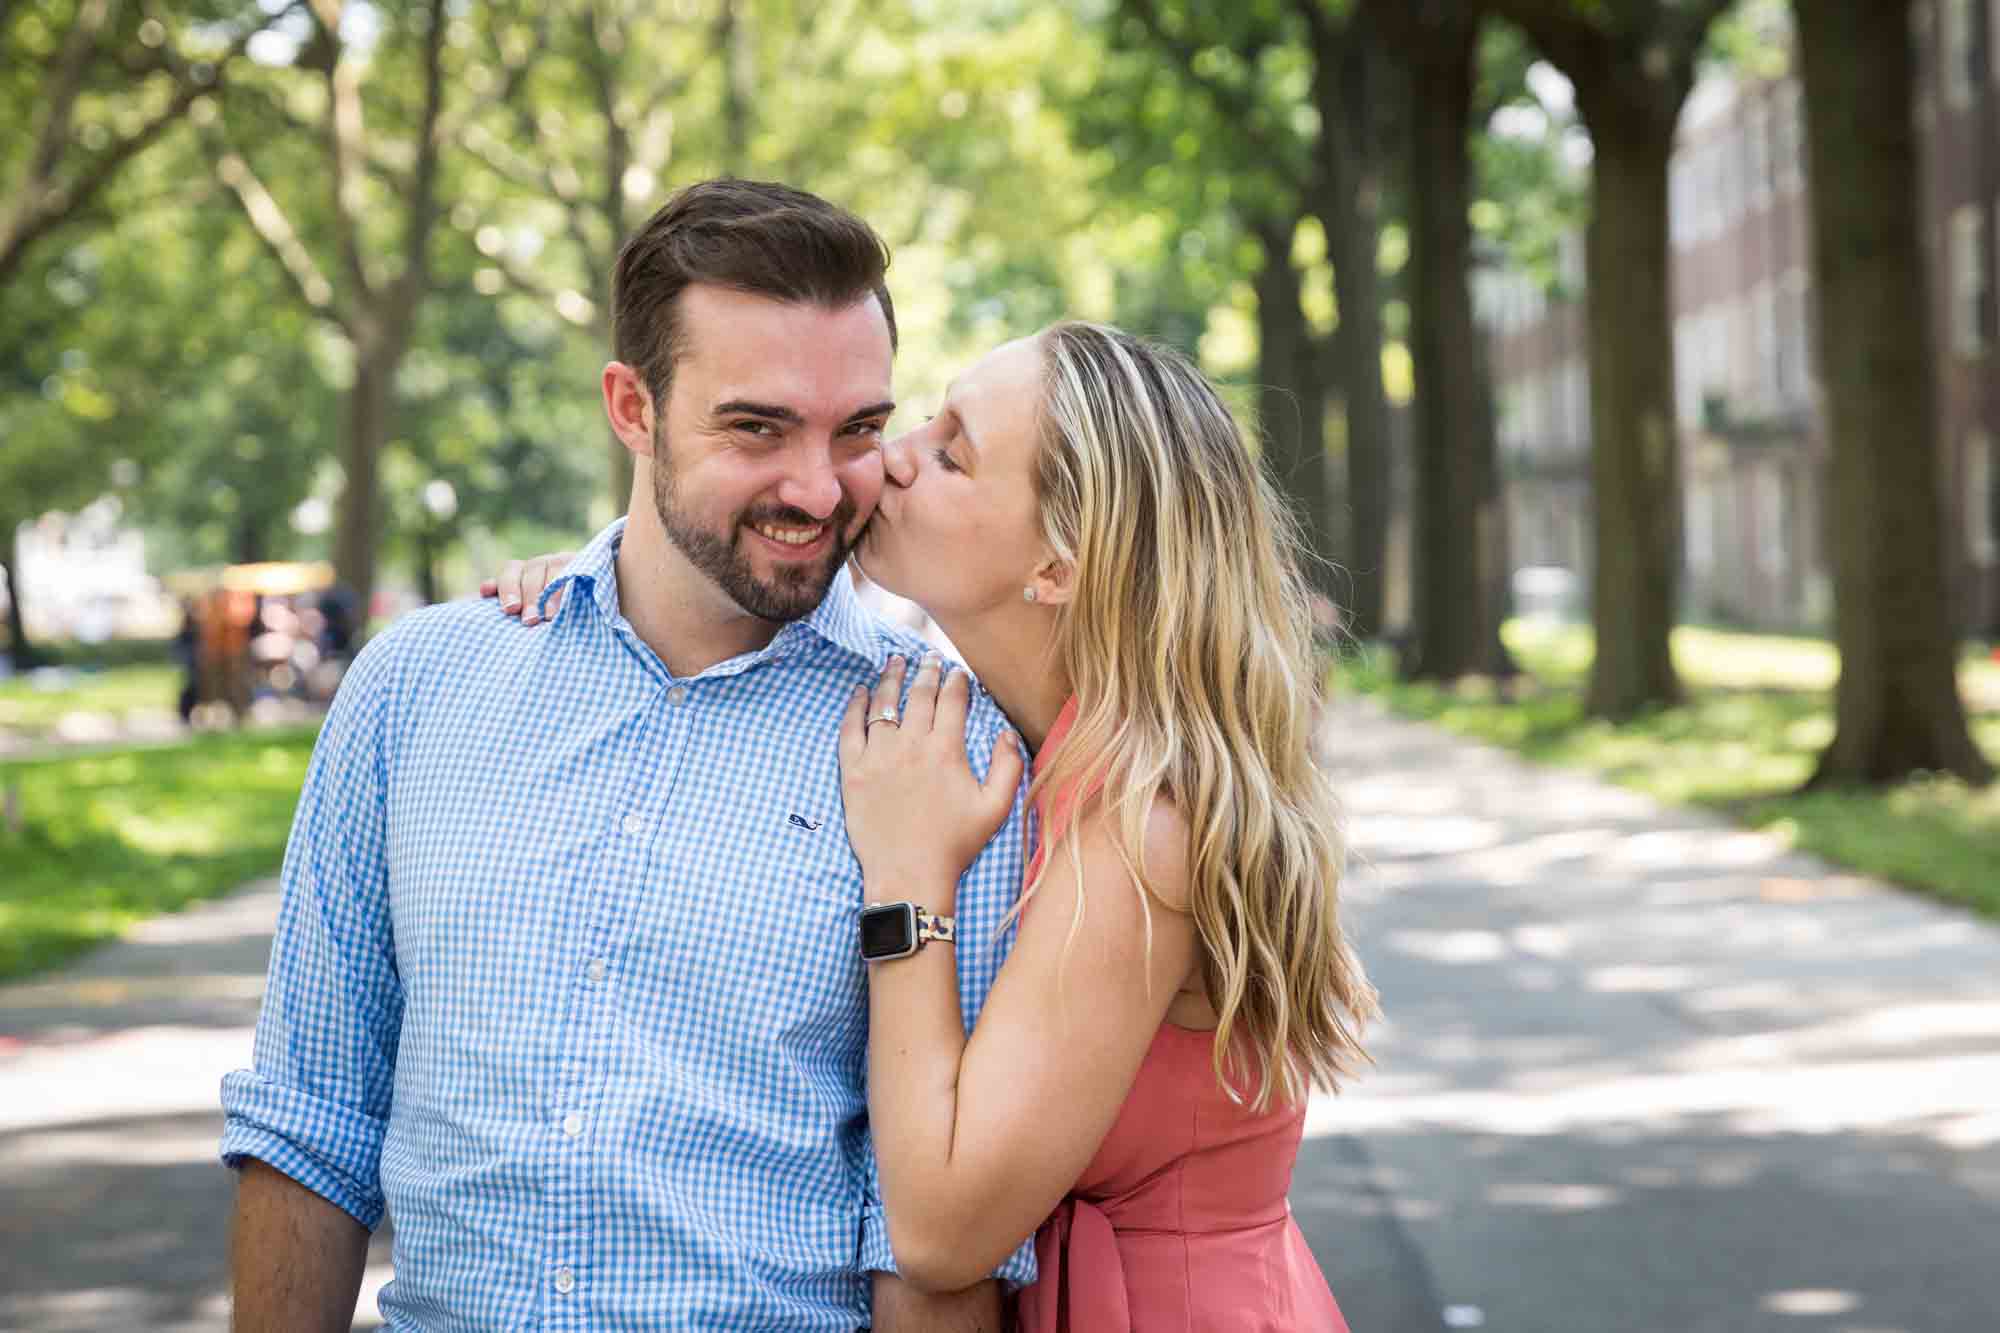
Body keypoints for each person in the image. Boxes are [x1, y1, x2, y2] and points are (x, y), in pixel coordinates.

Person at [219, 179, 1032, 1331]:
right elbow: (310, 1119)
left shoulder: (948, 755)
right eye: (755, 427)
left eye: (855, 428)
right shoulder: (416, 689)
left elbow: (924, 1248)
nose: (815, 486)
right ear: (631, 407)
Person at [495, 323, 1380, 1328]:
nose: (891, 457)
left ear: (1058, 563)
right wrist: (609, 590)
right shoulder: (1052, 754)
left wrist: (907, 882)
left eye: (951, 451)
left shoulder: (1143, 826)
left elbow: (941, 1229)